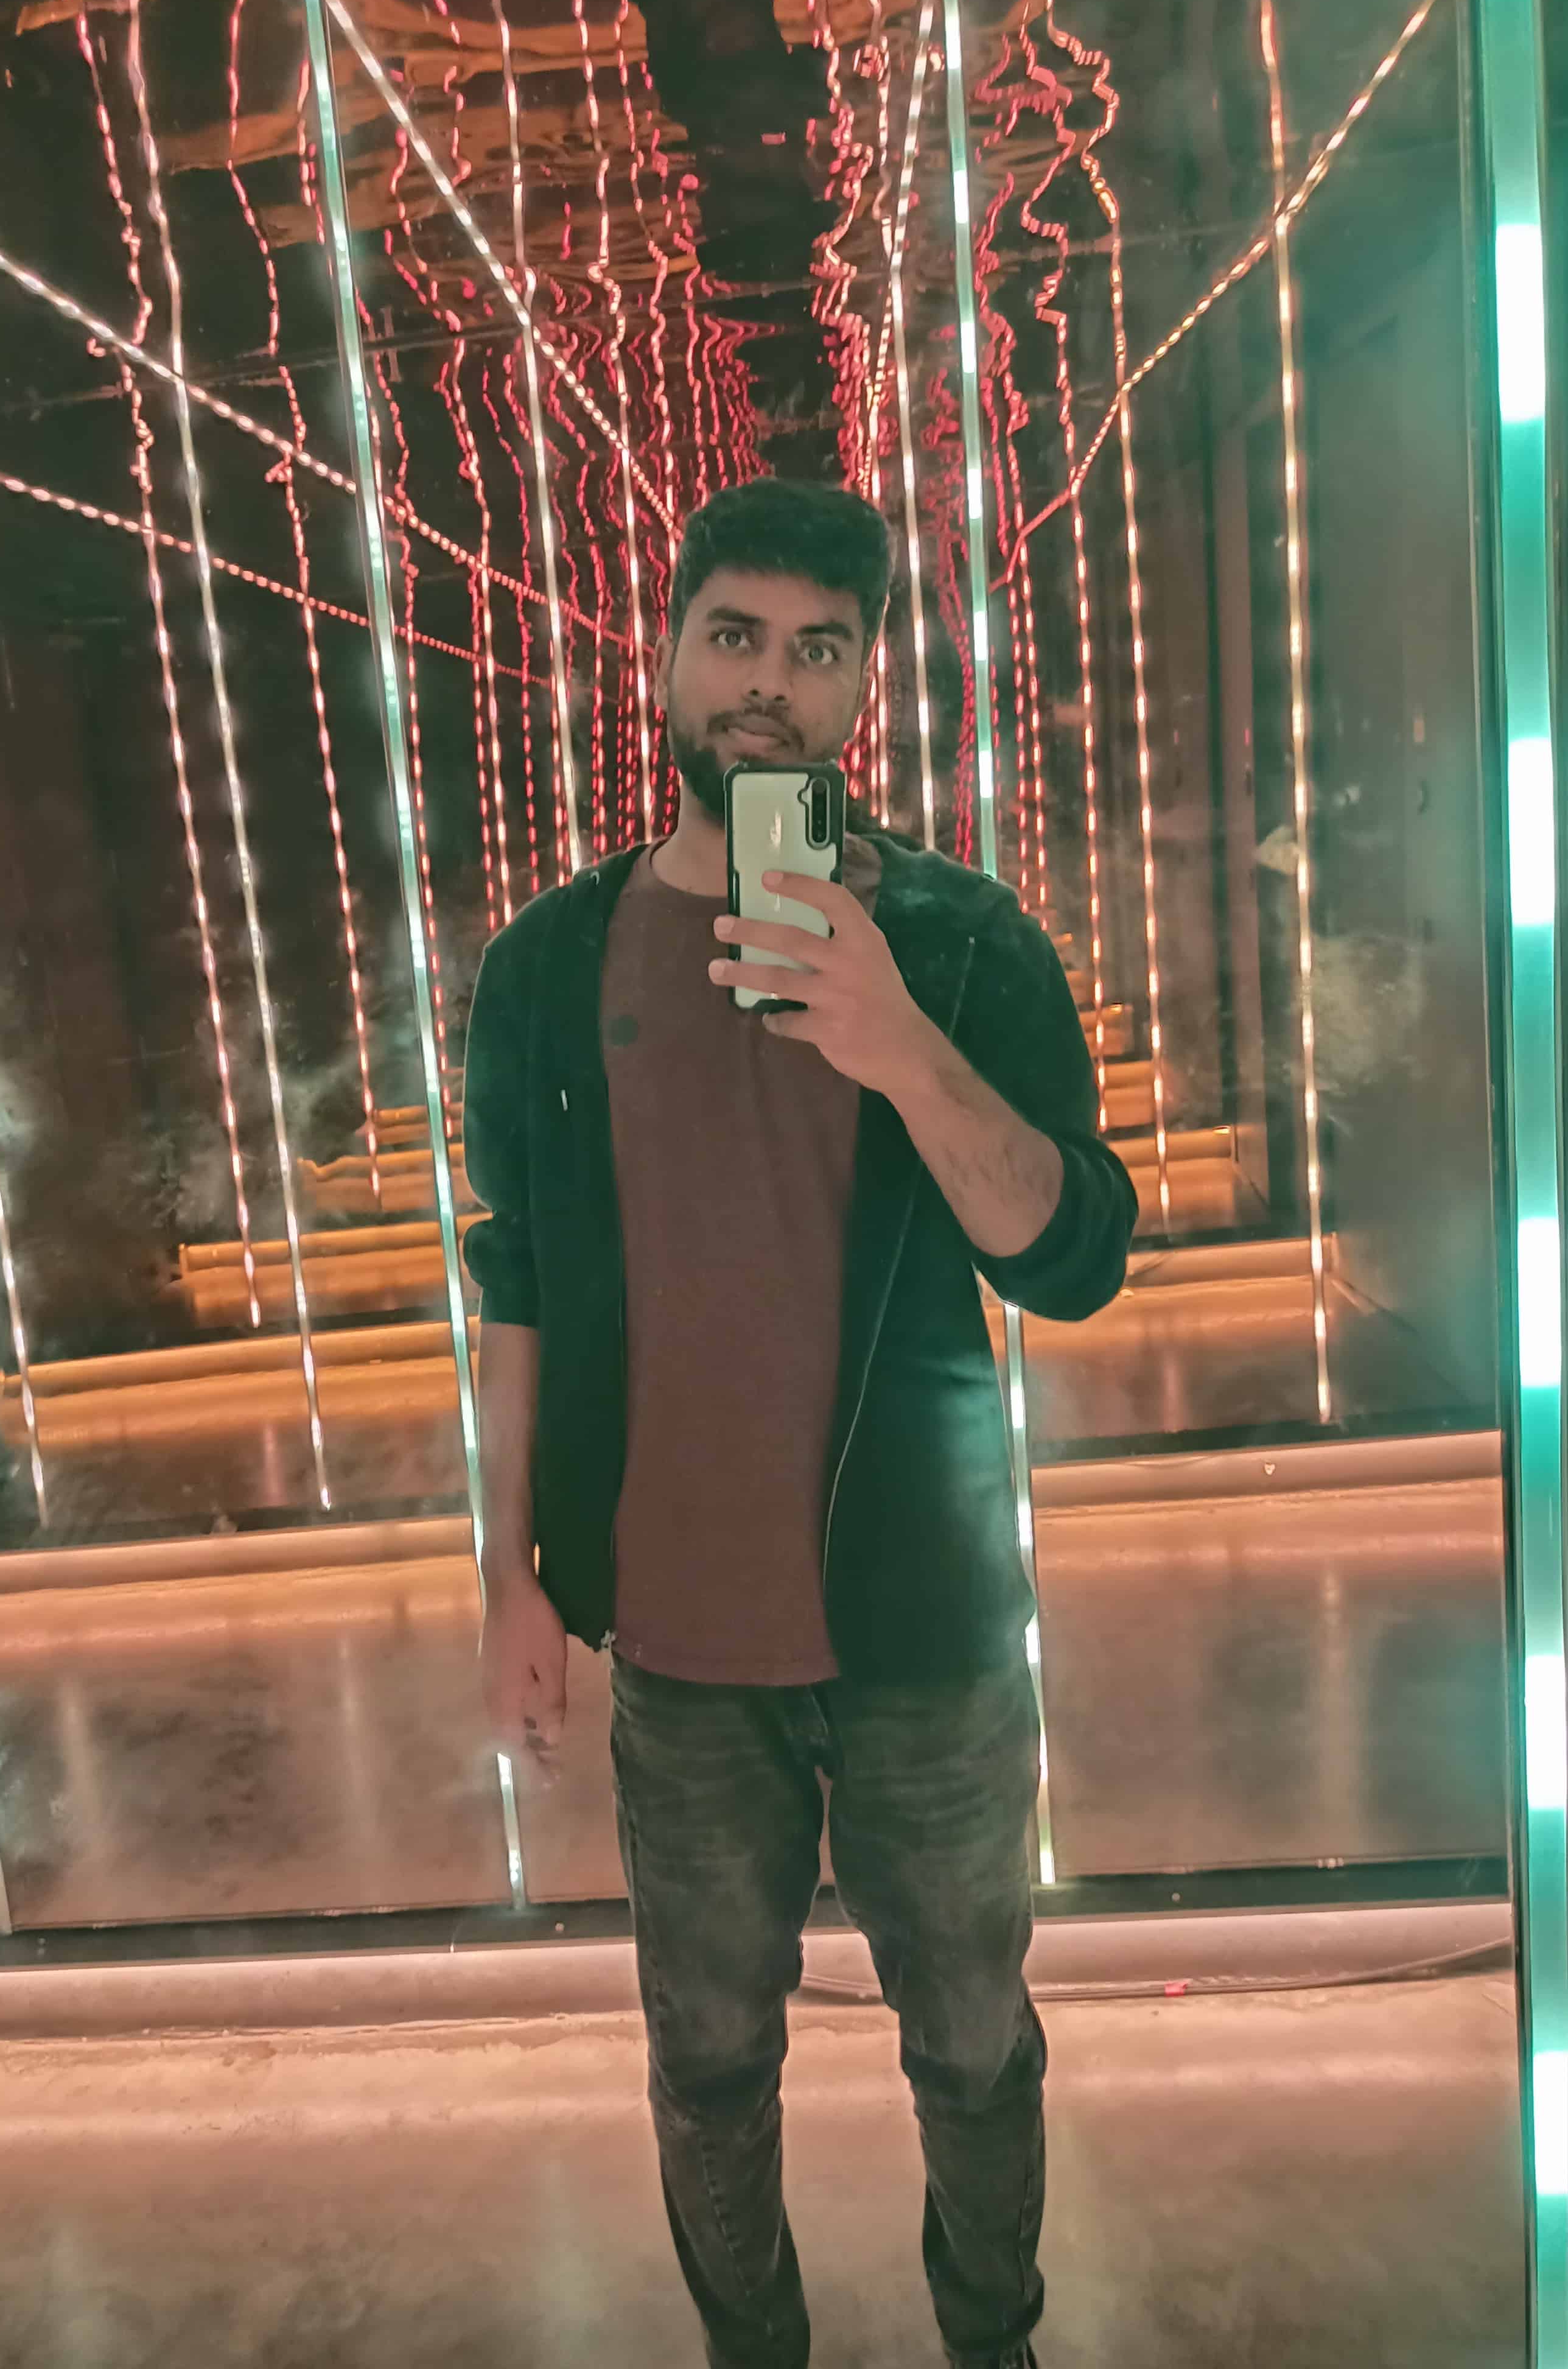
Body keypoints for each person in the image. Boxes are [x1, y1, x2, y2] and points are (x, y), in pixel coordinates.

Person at [460, 477, 1137, 2369]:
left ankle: (991, 2343)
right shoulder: (545, 971)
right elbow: (516, 1288)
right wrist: (507, 1576)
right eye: (735, 637)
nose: (771, 683)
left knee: (975, 2045)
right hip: (679, 1648)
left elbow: (1075, 1257)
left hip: (929, 1627)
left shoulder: (964, 942)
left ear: (864, 688)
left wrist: (896, 1040)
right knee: (706, 2062)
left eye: (818, 648)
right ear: (666, 656)